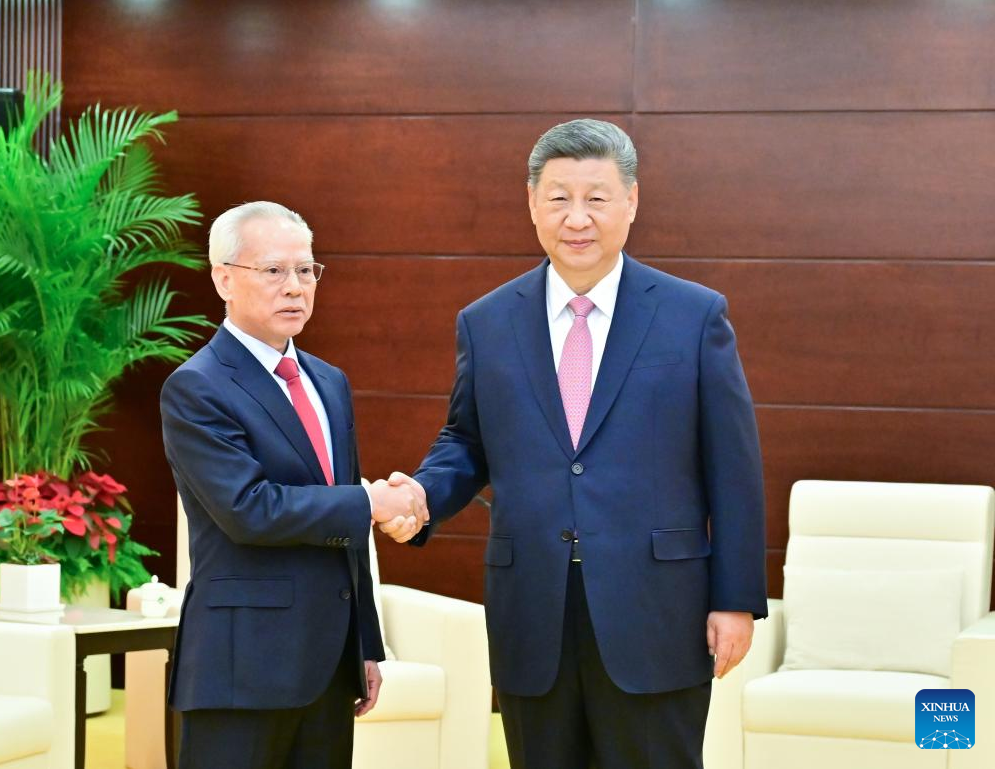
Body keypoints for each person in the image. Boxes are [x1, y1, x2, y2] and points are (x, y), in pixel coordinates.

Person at [389, 119, 767, 768]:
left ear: (631, 202)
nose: (577, 217)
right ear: (533, 203)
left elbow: (733, 466)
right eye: (559, 197)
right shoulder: (487, 323)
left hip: (657, 610)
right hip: (533, 613)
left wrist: (735, 599)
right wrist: (421, 494)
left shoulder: (693, 315)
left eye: (596, 197)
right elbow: (466, 441)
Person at [160, 201, 426, 769]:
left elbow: (348, 531)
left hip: (329, 667)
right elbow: (248, 510)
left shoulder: (329, 382)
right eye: (274, 270)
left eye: (306, 271)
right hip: (241, 669)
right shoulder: (196, 387)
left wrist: (365, 649)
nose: (295, 287)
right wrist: (371, 501)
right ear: (224, 279)